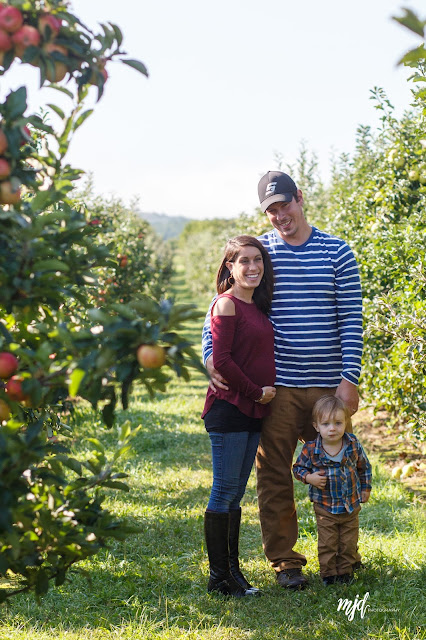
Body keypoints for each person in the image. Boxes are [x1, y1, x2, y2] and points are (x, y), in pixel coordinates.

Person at [202, 171, 363, 589]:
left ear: (300, 198)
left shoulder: (337, 252)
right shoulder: (260, 253)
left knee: (337, 468)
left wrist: (350, 378)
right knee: (274, 475)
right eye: (271, 210)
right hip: (277, 388)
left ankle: (340, 556)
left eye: (284, 205)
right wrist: (209, 354)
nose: (279, 215)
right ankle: (286, 562)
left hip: (328, 388)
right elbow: (221, 304)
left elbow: (352, 319)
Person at [202, 235, 276, 597]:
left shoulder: (256, 306)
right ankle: (219, 578)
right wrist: (255, 392)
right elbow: (223, 359)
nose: (252, 267)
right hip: (230, 408)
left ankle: (232, 573)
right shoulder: (226, 305)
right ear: (229, 268)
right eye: (243, 261)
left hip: (252, 410)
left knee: (234, 495)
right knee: (224, 490)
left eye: (257, 260)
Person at [292, 395, 372, 585]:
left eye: (338, 423)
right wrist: (309, 478)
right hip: (325, 506)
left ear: (346, 423)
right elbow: (298, 468)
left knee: (348, 541)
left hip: (350, 505)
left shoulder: (352, 444)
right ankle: (328, 573)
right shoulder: (311, 449)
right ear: (316, 426)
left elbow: (364, 467)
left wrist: (365, 488)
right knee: (328, 542)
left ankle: (345, 572)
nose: (332, 428)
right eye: (326, 423)